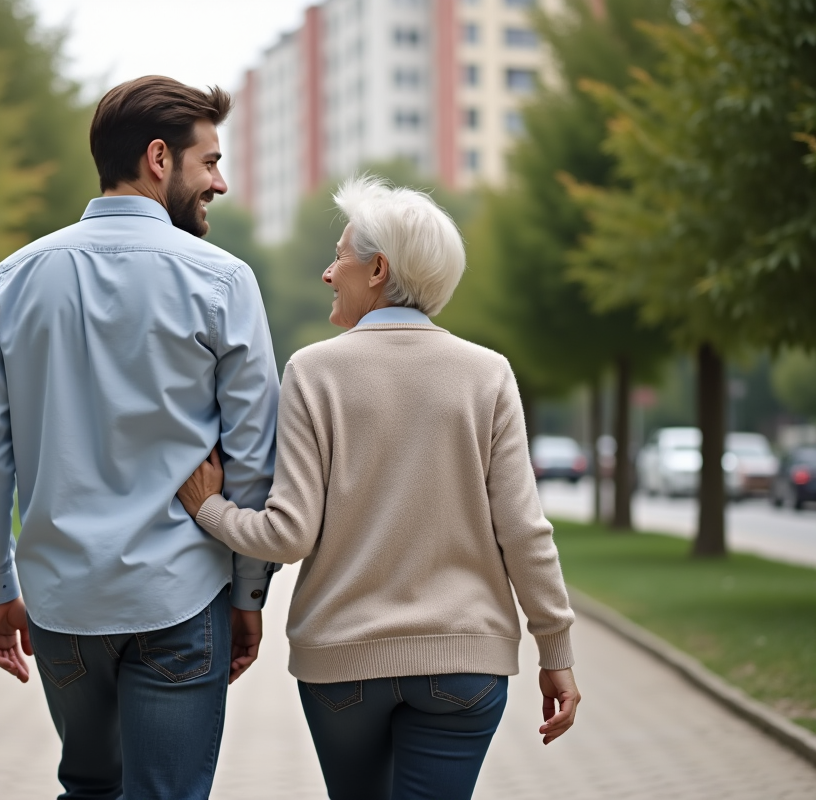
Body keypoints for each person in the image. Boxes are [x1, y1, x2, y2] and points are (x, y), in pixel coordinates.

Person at [177, 175, 581, 800]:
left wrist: (209, 508)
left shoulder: (314, 372)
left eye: (339, 256)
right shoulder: (489, 375)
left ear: (378, 269)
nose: (327, 273)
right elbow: (525, 533)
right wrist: (555, 650)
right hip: (464, 664)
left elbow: (287, 535)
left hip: (343, 666)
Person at [0, 76, 279, 800]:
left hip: (61, 602)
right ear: (159, 159)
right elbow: (254, 456)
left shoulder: (15, 278)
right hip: (182, 596)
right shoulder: (223, 281)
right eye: (209, 162)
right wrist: (248, 592)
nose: (219, 182)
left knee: (89, 788)